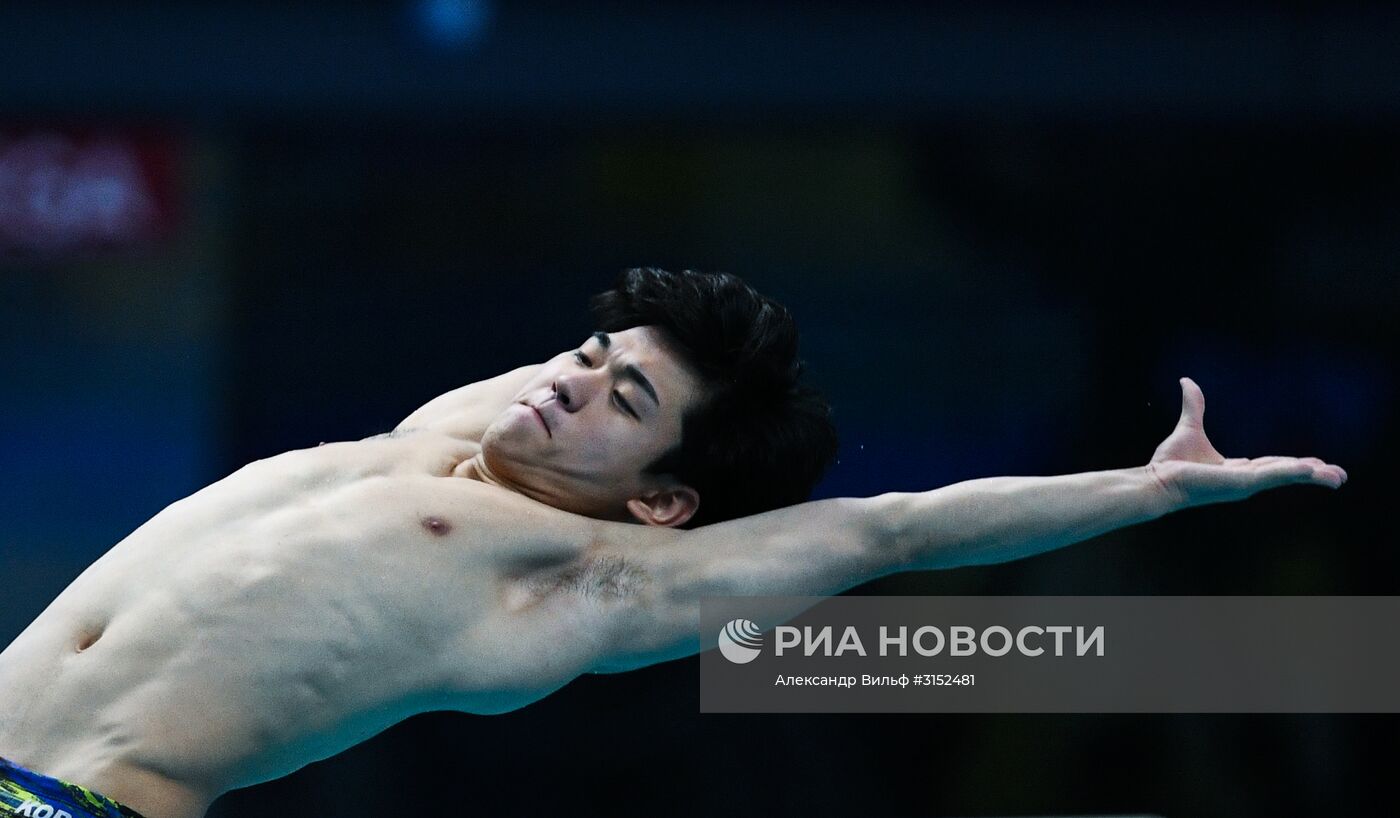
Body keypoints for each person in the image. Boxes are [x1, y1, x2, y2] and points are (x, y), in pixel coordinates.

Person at [0, 268, 1346, 818]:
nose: (572, 384)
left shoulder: (570, 578)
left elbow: (885, 530)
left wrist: (1145, 491)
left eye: (622, 401)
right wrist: (632, 349)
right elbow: (610, 349)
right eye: (584, 359)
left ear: (662, 501)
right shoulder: (445, 435)